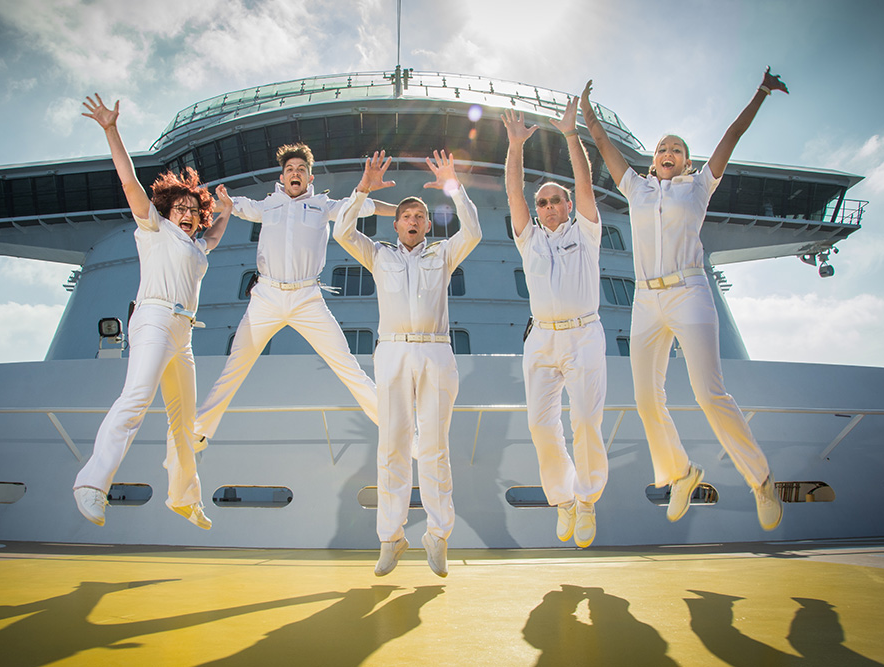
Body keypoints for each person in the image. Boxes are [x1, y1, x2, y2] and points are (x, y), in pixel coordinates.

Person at [579, 69, 788, 530]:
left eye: (677, 149)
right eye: (661, 149)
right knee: (645, 398)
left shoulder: (699, 187)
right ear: (653, 162)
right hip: (646, 302)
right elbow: (603, 145)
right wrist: (588, 114)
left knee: (709, 393)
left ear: (688, 163)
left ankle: (762, 479)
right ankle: (680, 472)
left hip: (690, 291)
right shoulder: (635, 187)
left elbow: (732, 135)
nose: (667, 152)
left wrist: (759, 94)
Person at [73, 94, 233, 529]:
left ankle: (183, 497)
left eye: (193, 210)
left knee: (184, 423)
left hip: (184, 334)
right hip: (155, 319)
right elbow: (130, 186)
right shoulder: (154, 229)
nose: (187, 213)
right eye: (179, 207)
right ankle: (91, 483)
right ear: (166, 210)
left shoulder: (197, 245)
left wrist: (226, 212)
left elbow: (214, 239)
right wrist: (111, 129)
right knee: (136, 399)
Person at [334, 150, 481, 577]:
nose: (413, 220)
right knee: (393, 446)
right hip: (393, 351)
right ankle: (390, 538)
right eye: (405, 215)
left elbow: (472, 229)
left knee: (434, 448)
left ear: (428, 224)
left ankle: (438, 536)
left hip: (436, 350)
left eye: (419, 215)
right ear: (395, 224)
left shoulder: (443, 255)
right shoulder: (379, 254)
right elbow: (342, 232)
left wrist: (453, 185)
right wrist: (363, 189)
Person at [193, 143, 397, 444]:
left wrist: (409, 211)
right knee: (234, 367)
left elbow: (364, 205)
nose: (295, 173)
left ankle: (397, 429)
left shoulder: (323, 206)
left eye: (301, 169)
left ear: (310, 178)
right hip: (267, 296)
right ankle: (198, 432)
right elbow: (227, 204)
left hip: (306, 298)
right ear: (282, 176)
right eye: (290, 169)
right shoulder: (266, 205)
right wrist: (208, 198)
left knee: (347, 365)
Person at [503, 97, 607, 549]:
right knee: (542, 426)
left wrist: (570, 134)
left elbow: (584, 181)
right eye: (541, 202)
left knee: (585, 421)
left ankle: (586, 502)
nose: (546, 207)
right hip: (541, 339)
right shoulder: (530, 240)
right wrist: (515, 147)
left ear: (568, 205)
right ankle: (563, 499)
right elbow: (513, 192)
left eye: (554, 201)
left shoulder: (586, 232)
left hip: (584, 334)